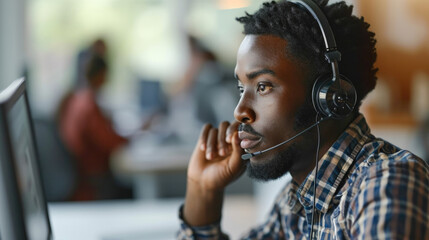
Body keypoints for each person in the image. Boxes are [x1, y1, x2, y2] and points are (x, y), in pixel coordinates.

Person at [177, 0, 429, 239]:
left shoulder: (386, 183)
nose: (240, 110)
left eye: (263, 86)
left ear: (330, 97)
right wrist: (203, 191)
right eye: (242, 88)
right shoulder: (295, 205)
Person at [58, 55, 131, 201]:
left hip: (85, 177)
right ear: (101, 75)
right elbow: (108, 141)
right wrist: (132, 137)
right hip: (93, 184)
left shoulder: (78, 99)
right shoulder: (89, 106)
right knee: (133, 191)